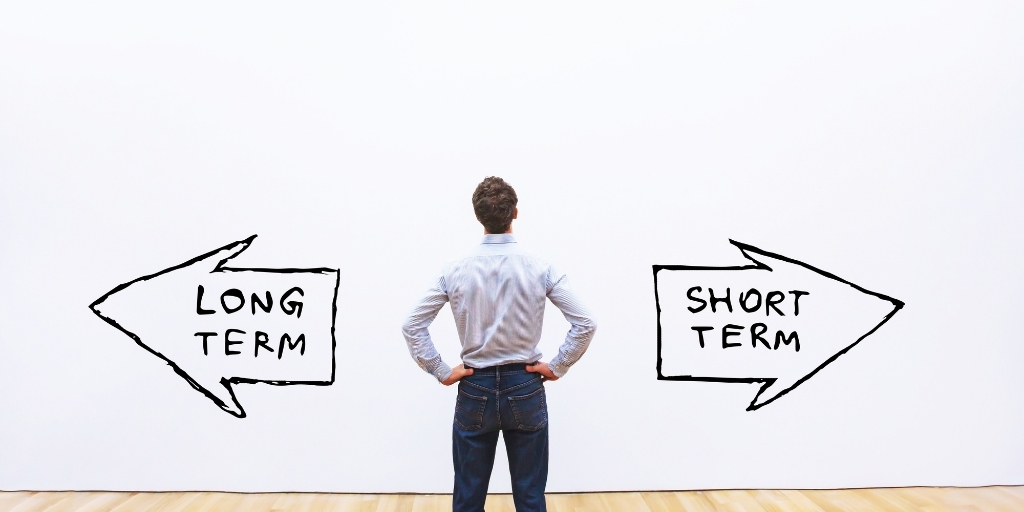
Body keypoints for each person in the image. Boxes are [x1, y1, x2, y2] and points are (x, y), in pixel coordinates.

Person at [401, 176, 597, 512]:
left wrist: (441, 371)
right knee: (531, 496)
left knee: (467, 496)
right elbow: (585, 322)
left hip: (474, 386)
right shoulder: (540, 266)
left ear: (478, 216)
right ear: (515, 213)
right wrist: (558, 365)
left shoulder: (455, 270)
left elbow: (412, 324)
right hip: (525, 384)